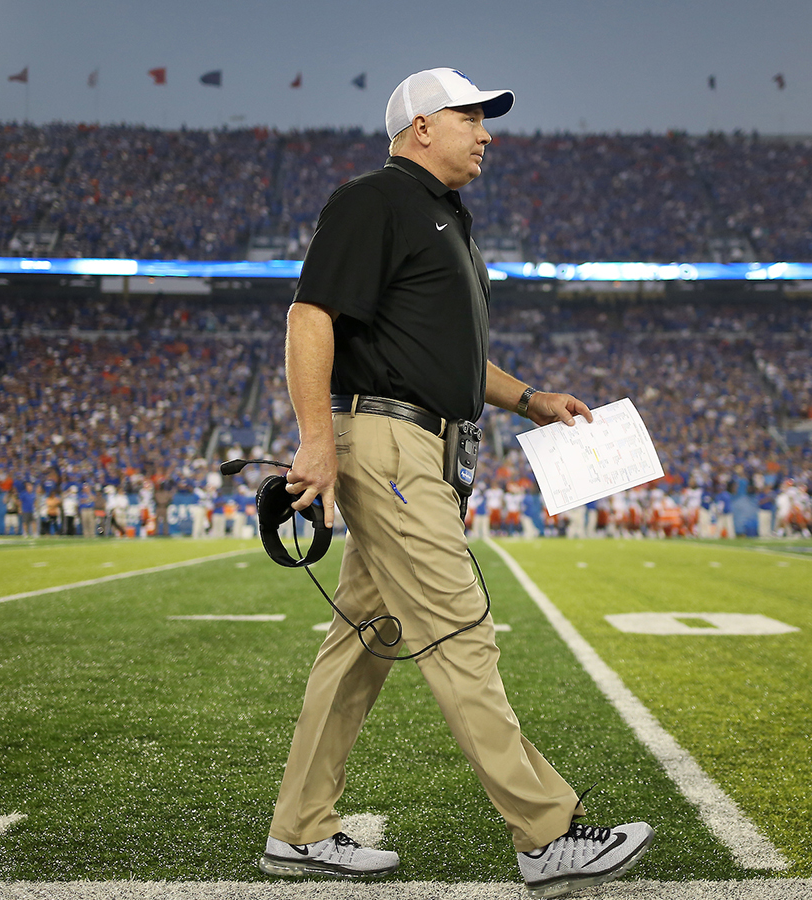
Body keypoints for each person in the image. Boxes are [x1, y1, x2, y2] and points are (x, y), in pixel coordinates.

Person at [261, 69, 653, 898]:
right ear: (421, 125)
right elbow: (310, 314)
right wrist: (315, 441)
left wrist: (530, 398)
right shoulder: (377, 198)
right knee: (461, 629)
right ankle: (546, 834)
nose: (486, 133)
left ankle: (297, 832)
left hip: (428, 447)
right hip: (392, 446)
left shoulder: (446, 221)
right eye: (471, 116)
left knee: (363, 646)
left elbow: (453, 358)